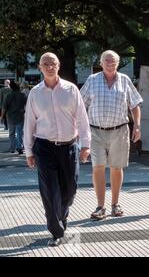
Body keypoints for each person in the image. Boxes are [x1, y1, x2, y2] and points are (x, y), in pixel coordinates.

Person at [24, 52, 90, 247]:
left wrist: (85, 144)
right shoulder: (35, 93)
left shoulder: (71, 90)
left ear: (59, 65)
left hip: (69, 146)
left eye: (53, 63)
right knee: (50, 190)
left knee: (70, 189)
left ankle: (61, 216)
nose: (49, 67)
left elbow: (82, 118)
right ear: (40, 67)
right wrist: (28, 152)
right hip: (44, 147)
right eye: (46, 64)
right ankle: (56, 231)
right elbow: (29, 123)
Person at [80, 50, 143, 220]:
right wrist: (80, 130)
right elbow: (80, 105)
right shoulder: (92, 80)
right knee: (98, 167)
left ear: (118, 63)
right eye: (107, 60)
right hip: (95, 131)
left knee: (116, 167)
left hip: (119, 130)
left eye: (113, 61)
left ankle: (115, 204)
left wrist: (137, 126)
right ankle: (101, 206)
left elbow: (135, 104)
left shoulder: (125, 80)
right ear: (101, 63)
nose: (110, 63)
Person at [1, 81, 27, 154]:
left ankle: (12, 148)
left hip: (10, 116)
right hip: (20, 116)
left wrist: (2, 116)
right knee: (20, 133)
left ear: (11, 87)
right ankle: (20, 147)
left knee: (12, 133)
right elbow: (28, 105)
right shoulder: (22, 95)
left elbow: (4, 107)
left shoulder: (8, 96)